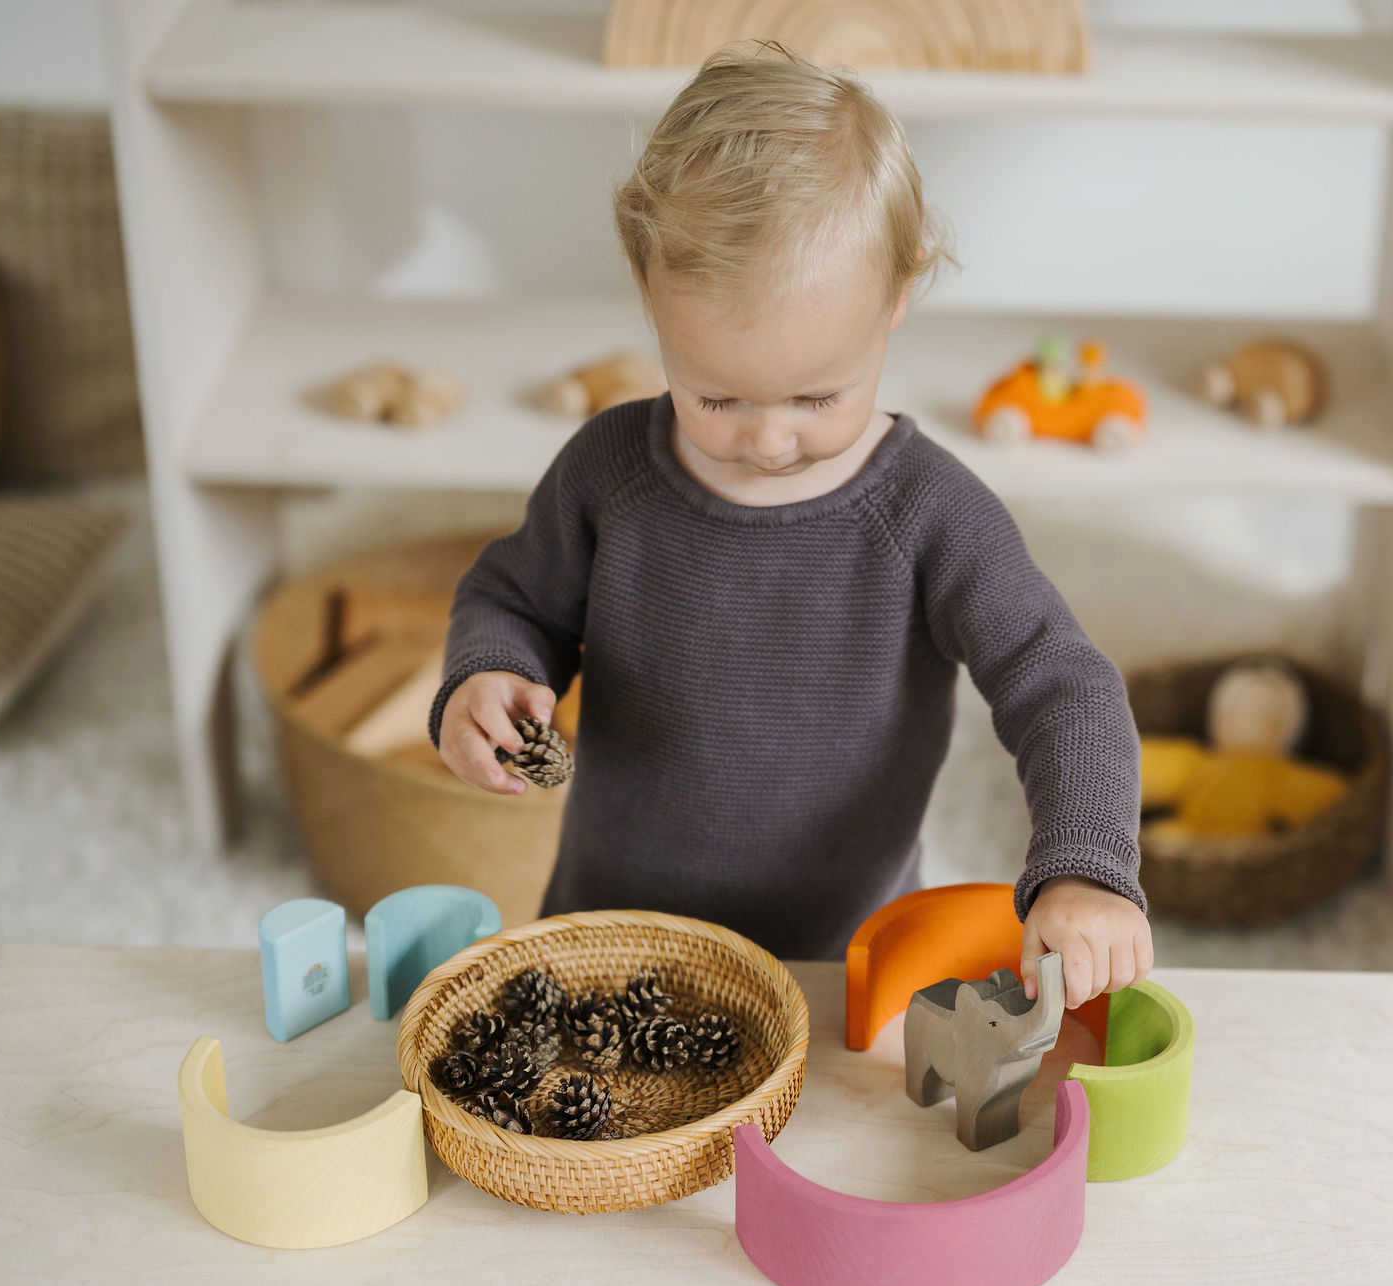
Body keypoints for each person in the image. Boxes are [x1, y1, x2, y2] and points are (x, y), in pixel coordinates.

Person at [428, 40, 1151, 1008]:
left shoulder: (929, 515)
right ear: (649, 295)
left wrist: (1084, 865)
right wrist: (488, 673)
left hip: (842, 965)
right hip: (613, 942)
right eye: (715, 397)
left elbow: (1062, 684)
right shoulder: (608, 474)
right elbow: (512, 597)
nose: (769, 441)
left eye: (818, 395)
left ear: (898, 296)